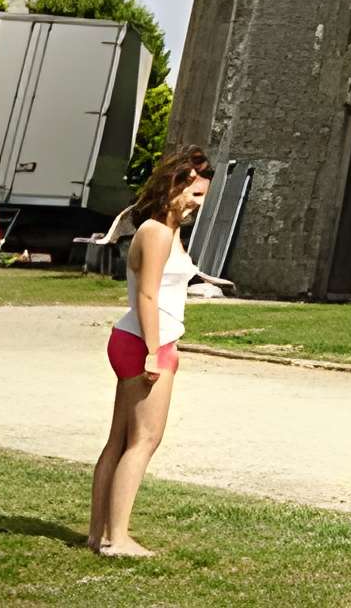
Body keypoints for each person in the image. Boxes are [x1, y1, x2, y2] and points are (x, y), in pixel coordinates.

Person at [88, 146, 214, 558]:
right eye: (194, 195)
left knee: (120, 441)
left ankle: (98, 535)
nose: (198, 204)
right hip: (145, 343)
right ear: (175, 185)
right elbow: (147, 294)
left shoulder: (165, 229)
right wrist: (154, 351)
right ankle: (117, 539)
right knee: (144, 440)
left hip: (140, 339)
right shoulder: (157, 232)